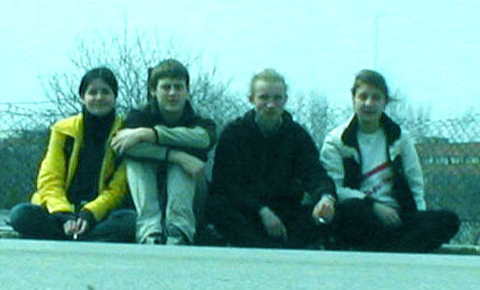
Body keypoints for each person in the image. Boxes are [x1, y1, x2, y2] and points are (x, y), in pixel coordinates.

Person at [320, 69, 460, 252]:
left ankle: (391, 249)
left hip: (397, 217)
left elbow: (415, 182)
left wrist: (419, 217)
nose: (369, 103)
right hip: (361, 214)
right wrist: (373, 205)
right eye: (363, 97)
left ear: (385, 102)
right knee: (349, 211)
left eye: (376, 98)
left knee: (449, 220)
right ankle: (398, 248)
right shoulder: (336, 141)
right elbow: (334, 189)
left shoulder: (401, 138)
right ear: (353, 99)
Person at [207, 69, 336, 248]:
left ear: (285, 100)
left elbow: (314, 174)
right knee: (218, 207)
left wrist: (325, 197)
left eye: (277, 98)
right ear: (251, 99)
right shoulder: (234, 133)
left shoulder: (297, 135)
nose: (270, 105)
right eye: (264, 98)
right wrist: (261, 210)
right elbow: (225, 184)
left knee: (330, 213)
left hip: (286, 211)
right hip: (246, 210)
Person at [9, 67, 135, 241]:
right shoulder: (63, 130)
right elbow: (50, 181)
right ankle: (80, 236)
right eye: (92, 92)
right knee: (20, 214)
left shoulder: (125, 133)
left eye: (105, 92)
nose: (99, 97)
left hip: (100, 216)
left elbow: (117, 190)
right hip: (59, 214)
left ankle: (79, 235)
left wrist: (89, 214)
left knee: (131, 222)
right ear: (83, 97)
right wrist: (65, 216)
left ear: (115, 97)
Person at [111, 59, 216, 245]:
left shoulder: (199, 122)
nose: (173, 93)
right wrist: (176, 156)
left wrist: (151, 134)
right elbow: (122, 145)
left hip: (191, 201)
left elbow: (204, 138)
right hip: (146, 194)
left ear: (187, 91)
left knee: (181, 169)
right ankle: (149, 233)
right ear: (153, 91)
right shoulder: (139, 117)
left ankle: (179, 233)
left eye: (178, 87)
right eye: (166, 87)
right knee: (137, 162)